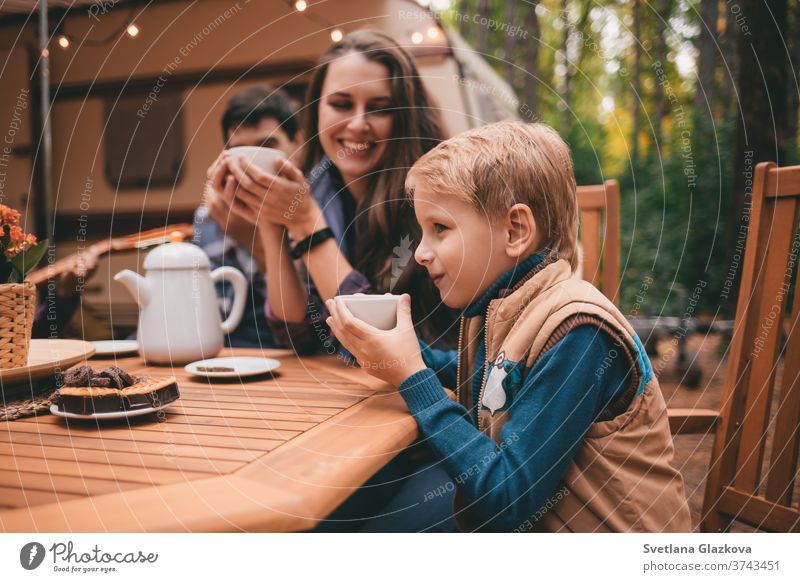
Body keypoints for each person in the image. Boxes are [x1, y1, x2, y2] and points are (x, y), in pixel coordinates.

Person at [326, 121, 692, 532]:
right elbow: (487, 377)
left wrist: (413, 377)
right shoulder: (507, 309)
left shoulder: (578, 332)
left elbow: (507, 499)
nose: (422, 253)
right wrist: (387, 348)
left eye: (440, 228)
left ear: (515, 230)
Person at [214, 29, 454, 355]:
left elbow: (379, 337)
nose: (357, 124)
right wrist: (270, 218)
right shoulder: (322, 189)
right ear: (316, 113)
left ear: (404, 118)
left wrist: (305, 222)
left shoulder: (430, 195)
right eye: (341, 104)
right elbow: (296, 332)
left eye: (380, 108)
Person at [195, 84, 303, 347]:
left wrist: (251, 239)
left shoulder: (314, 209)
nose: (252, 164)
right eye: (241, 150)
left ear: (297, 144)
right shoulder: (210, 216)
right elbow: (209, 312)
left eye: (267, 145)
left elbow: (302, 332)